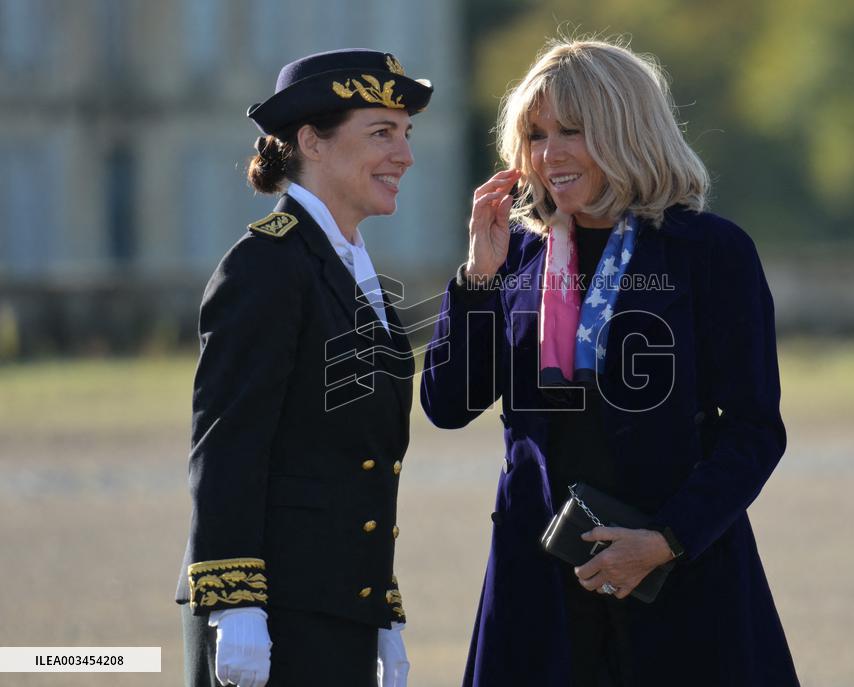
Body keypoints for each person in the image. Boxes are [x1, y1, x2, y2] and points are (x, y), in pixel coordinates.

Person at [420, 38, 798, 686]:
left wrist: (665, 540)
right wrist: (477, 280)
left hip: (680, 578)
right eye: (535, 135)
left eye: (572, 130)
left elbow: (754, 429)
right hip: (538, 587)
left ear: (627, 129)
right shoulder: (516, 256)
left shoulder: (710, 251)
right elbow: (449, 405)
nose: (548, 154)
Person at [174, 49, 432, 687]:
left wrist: (382, 608)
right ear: (312, 141)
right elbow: (229, 445)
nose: (404, 155)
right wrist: (236, 601)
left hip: (337, 603)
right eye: (381, 133)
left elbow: (352, 463)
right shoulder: (264, 266)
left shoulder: (351, 267)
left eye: (405, 135)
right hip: (271, 609)